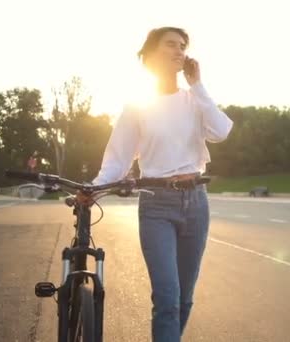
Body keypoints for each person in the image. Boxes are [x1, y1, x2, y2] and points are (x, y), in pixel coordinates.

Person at [90, 27, 233, 341]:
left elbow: (221, 131)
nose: (179, 50)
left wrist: (198, 84)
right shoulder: (137, 107)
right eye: (171, 44)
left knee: (184, 298)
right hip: (156, 204)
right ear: (151, 54)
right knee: (167, 297)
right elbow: (117, 159)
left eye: (183, 45)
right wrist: (93, 190)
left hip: (196, 203)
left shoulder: (194, 100)